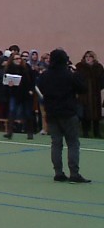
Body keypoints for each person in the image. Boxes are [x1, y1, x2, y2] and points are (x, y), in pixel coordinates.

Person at [38, 49, 90, 183]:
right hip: (68, 112)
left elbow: (40, 88)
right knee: (72, 143)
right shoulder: (70, 75)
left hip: (52, 113)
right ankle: (74, 173)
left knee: (56, 143)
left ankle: (58, 172)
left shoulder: (45, 75)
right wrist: (76, 73)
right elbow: (83, 88)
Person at [74, 51, 104, 138]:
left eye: (90, 56)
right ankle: (85, 132)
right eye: (86, 56)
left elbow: (102, 81)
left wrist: (97, 88)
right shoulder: (80, 67)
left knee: (96, 115)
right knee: (85, 114)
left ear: (93, 58)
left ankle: (96, 132)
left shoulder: (98, 67)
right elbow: (76, 80)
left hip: (95, 95)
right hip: (84, 95)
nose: (88, 58)